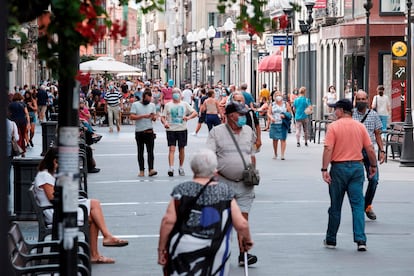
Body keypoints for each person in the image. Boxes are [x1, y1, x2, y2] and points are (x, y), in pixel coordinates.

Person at [157, 149, 253, 275]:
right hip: (216, 247)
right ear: (215, 170)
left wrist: (162, 249)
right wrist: (247, 240)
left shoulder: (182, 190)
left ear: (193, 169)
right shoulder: (224, 192)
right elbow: (241, 224)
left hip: (184, 246)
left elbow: (168, 221)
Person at [33, 148, 128, 264]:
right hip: (55, 214)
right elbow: (53, 198)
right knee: (94, 207)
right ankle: (102, 244)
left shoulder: (50, 175)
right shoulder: (44, 176)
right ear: (55, 161)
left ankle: (99, 248)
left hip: (60, 209)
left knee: (94, 210)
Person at [321, 99, 377, 252]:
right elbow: (370, 149)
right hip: (357, 168)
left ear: (341, 110)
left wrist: (324, 169)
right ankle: (360, 240)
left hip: (338, 168)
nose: (334, 112)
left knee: (335, 206)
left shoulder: (333, 127)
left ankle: (331, 239)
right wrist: (373, 166)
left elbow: (328, 149)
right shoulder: (360, 127)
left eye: (335, 109)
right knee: (358, 205)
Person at [207, 101, 258, 266]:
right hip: (223, 183)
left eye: (244, 114)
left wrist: (252, 170)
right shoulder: (217, 132)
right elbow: (208, 155)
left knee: (243, 221)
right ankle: (220, 252)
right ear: (230, 116)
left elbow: (251, 153)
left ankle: (244, 254)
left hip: (245, 184)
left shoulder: (248, 131)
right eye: (240, 114)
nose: (243, 117)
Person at [353, 90, 385, 220]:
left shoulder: (374, 115)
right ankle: (361, 207)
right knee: (358, 181)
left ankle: (367, 205)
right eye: (358, 99)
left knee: (374, 180)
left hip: (369, 151)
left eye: (363, 99)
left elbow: (377, 134)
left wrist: (382, 151)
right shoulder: (350, 114)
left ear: (367, 100)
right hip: (354, 152)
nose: (361, 101)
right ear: (355, 100)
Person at [160, 88, 198, 177]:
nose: (175, 95)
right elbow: (163, 117)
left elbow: (195, 113)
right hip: (171, 130)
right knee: (171, 149)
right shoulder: (168, 105)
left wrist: (188, 118)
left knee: (181, 149)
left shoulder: (184, 104)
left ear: (181, 95)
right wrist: (165, 122)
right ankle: (171, 168)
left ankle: (181, 167)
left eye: (177, 93)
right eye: (174, 93)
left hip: (182, 129)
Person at [130, 88, 158, 177]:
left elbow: (154, 118)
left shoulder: (152, 105)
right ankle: (141, 170)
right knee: (140, 151)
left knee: (150, 152)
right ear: (143, 97)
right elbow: (132, 117)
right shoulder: (135, 105)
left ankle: (151, 169)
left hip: (149, 131)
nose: (148, 101)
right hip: (139, 131)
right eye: (146, 99)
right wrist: (143, 116)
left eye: (149, 100)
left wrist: (153, 117)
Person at [267, 91, 292, 160]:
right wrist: (271, 118)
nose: (278, 96)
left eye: (279, 95)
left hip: (283, 123)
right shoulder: (272, 104)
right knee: (275, 139)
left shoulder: (285, 104)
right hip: (275, 123)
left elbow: (289, 112)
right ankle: (275, 153)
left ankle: (282, 154)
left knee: (283, 139)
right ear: (274, 97)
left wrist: (285, 115)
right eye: (277, 95)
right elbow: (269, 113)